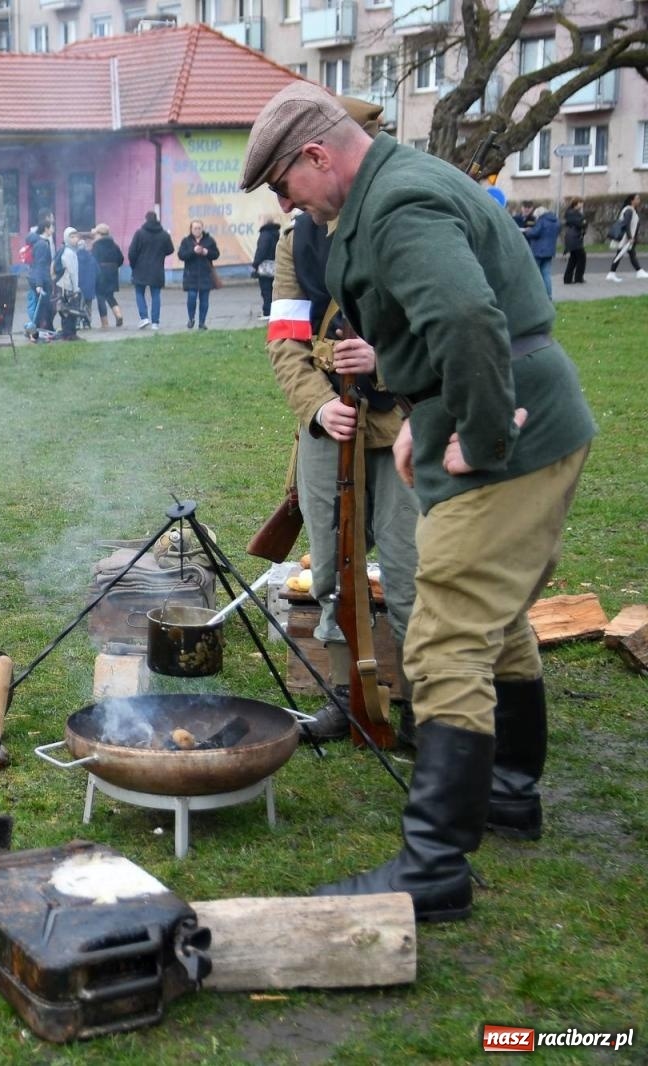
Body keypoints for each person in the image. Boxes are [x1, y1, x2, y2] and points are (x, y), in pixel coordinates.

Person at [242, 81, 597, 923]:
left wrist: (479, 435)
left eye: (284, 184)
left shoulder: (396, 205)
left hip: (516, 431)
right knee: (497, 619)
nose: (286, 204)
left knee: (442, 634)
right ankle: (507, 792)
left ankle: (433, 866)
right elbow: (433, 331)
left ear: (317, 157)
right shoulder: (393, 187)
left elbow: (471, 321)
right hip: (504, 415)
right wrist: (420, 415)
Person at [263, 93, 417, 748]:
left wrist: (384, 363)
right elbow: (285, 337)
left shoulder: (405, 217)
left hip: (408, 423)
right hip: (330, 425)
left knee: (412, 575)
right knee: (329, 576)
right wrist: (316, 405)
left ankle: (420, 709)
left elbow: (446, 325)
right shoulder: (299, 240)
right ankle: (341, 696)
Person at [127, 211, 173, 330]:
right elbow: (170, 250)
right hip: (157, 269)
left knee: (139, 293)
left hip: (140, 268)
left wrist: (133, 265)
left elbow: (132, 252)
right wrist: (160, 253)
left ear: (146, 219)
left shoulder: (139, 234)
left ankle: (144, 317)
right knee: (156, 295)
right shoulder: (164, 235)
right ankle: (155, 323)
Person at [177, 219, 220, 330]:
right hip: (191, 275)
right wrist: (193, 251)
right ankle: (191, 318)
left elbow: (216, 254)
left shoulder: (209, 240)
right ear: (191, 229)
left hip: (206, 274)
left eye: (199, 228)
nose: (197, 230)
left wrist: (207, 252)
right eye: (195, 228)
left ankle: (202, 322)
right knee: (191, 297)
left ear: (202, 228)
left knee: (204, 300)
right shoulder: (186, 241)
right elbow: (181, 255)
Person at [89, 223, 124, 328]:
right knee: (110, 296)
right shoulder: (114, 245)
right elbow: (121, 259)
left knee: (100, 298)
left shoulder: (96, 246)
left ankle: (105, 323)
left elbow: (93, 261)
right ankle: (118, 315)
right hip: (112, 273)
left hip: (100, 273)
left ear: (99, 234)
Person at [521, 204, 559, 298]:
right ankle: (548, 295)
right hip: (550, 251)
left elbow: (535, 233)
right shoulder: (555, 221)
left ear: (539, 214)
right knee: (546, 273)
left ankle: (535, 295)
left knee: (534, 273)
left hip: (538, 250)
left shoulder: (541, 221)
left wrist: (528, 231)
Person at [26, 221, 55, 342]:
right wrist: (39, 284)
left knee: (46, 308)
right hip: (41, 280)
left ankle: (47, 330)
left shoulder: (39, 243)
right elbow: (40, 265)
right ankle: (32, 333)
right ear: (46, 229)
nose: (53, 230)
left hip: (38, 279)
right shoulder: (42, 245)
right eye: (52, 227)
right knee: (42, 308)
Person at [605, 193, 643, 281]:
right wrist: (630, 237)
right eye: (637, 199)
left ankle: (639, 271)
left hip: (628, 238)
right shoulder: (629, 210)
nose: (639, 200)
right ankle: (611, 273)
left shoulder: (632, 210)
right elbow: (626, 224)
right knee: (620, 254)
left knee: (630, 254)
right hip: (626, 238)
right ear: (632, 200)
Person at [54, 227, 83, 340]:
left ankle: (68, 333)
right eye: (72, 236)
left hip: (64, 285)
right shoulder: (69, 253)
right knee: (69, 310)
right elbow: (72, 272)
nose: (75, 239)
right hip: (68, 286)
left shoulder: (66, 251)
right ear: (66, 238)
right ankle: (69, 334)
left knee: (66, 310)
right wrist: (76, 289)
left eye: (76, 236)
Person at [251, 213, 280, 319]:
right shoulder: (276, 233)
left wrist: (255, 263)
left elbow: (261, 251)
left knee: (265, 290)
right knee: (273, 289)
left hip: (265, 267)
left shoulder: (264, 234)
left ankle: (267, 312)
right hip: (275, 265)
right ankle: (274, 311)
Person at [561, 198, 587, 285]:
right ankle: (578, 278)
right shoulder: (572, 213)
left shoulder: (572, 213)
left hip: (573, 237)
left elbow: (582, 222)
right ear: (575, 204)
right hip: (574, 238)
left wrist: (583, 222)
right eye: (580, 203)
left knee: (574, 258)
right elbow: (580, 223)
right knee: (581, 257)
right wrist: (583, 222)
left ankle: (568, 279)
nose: (582, 205)